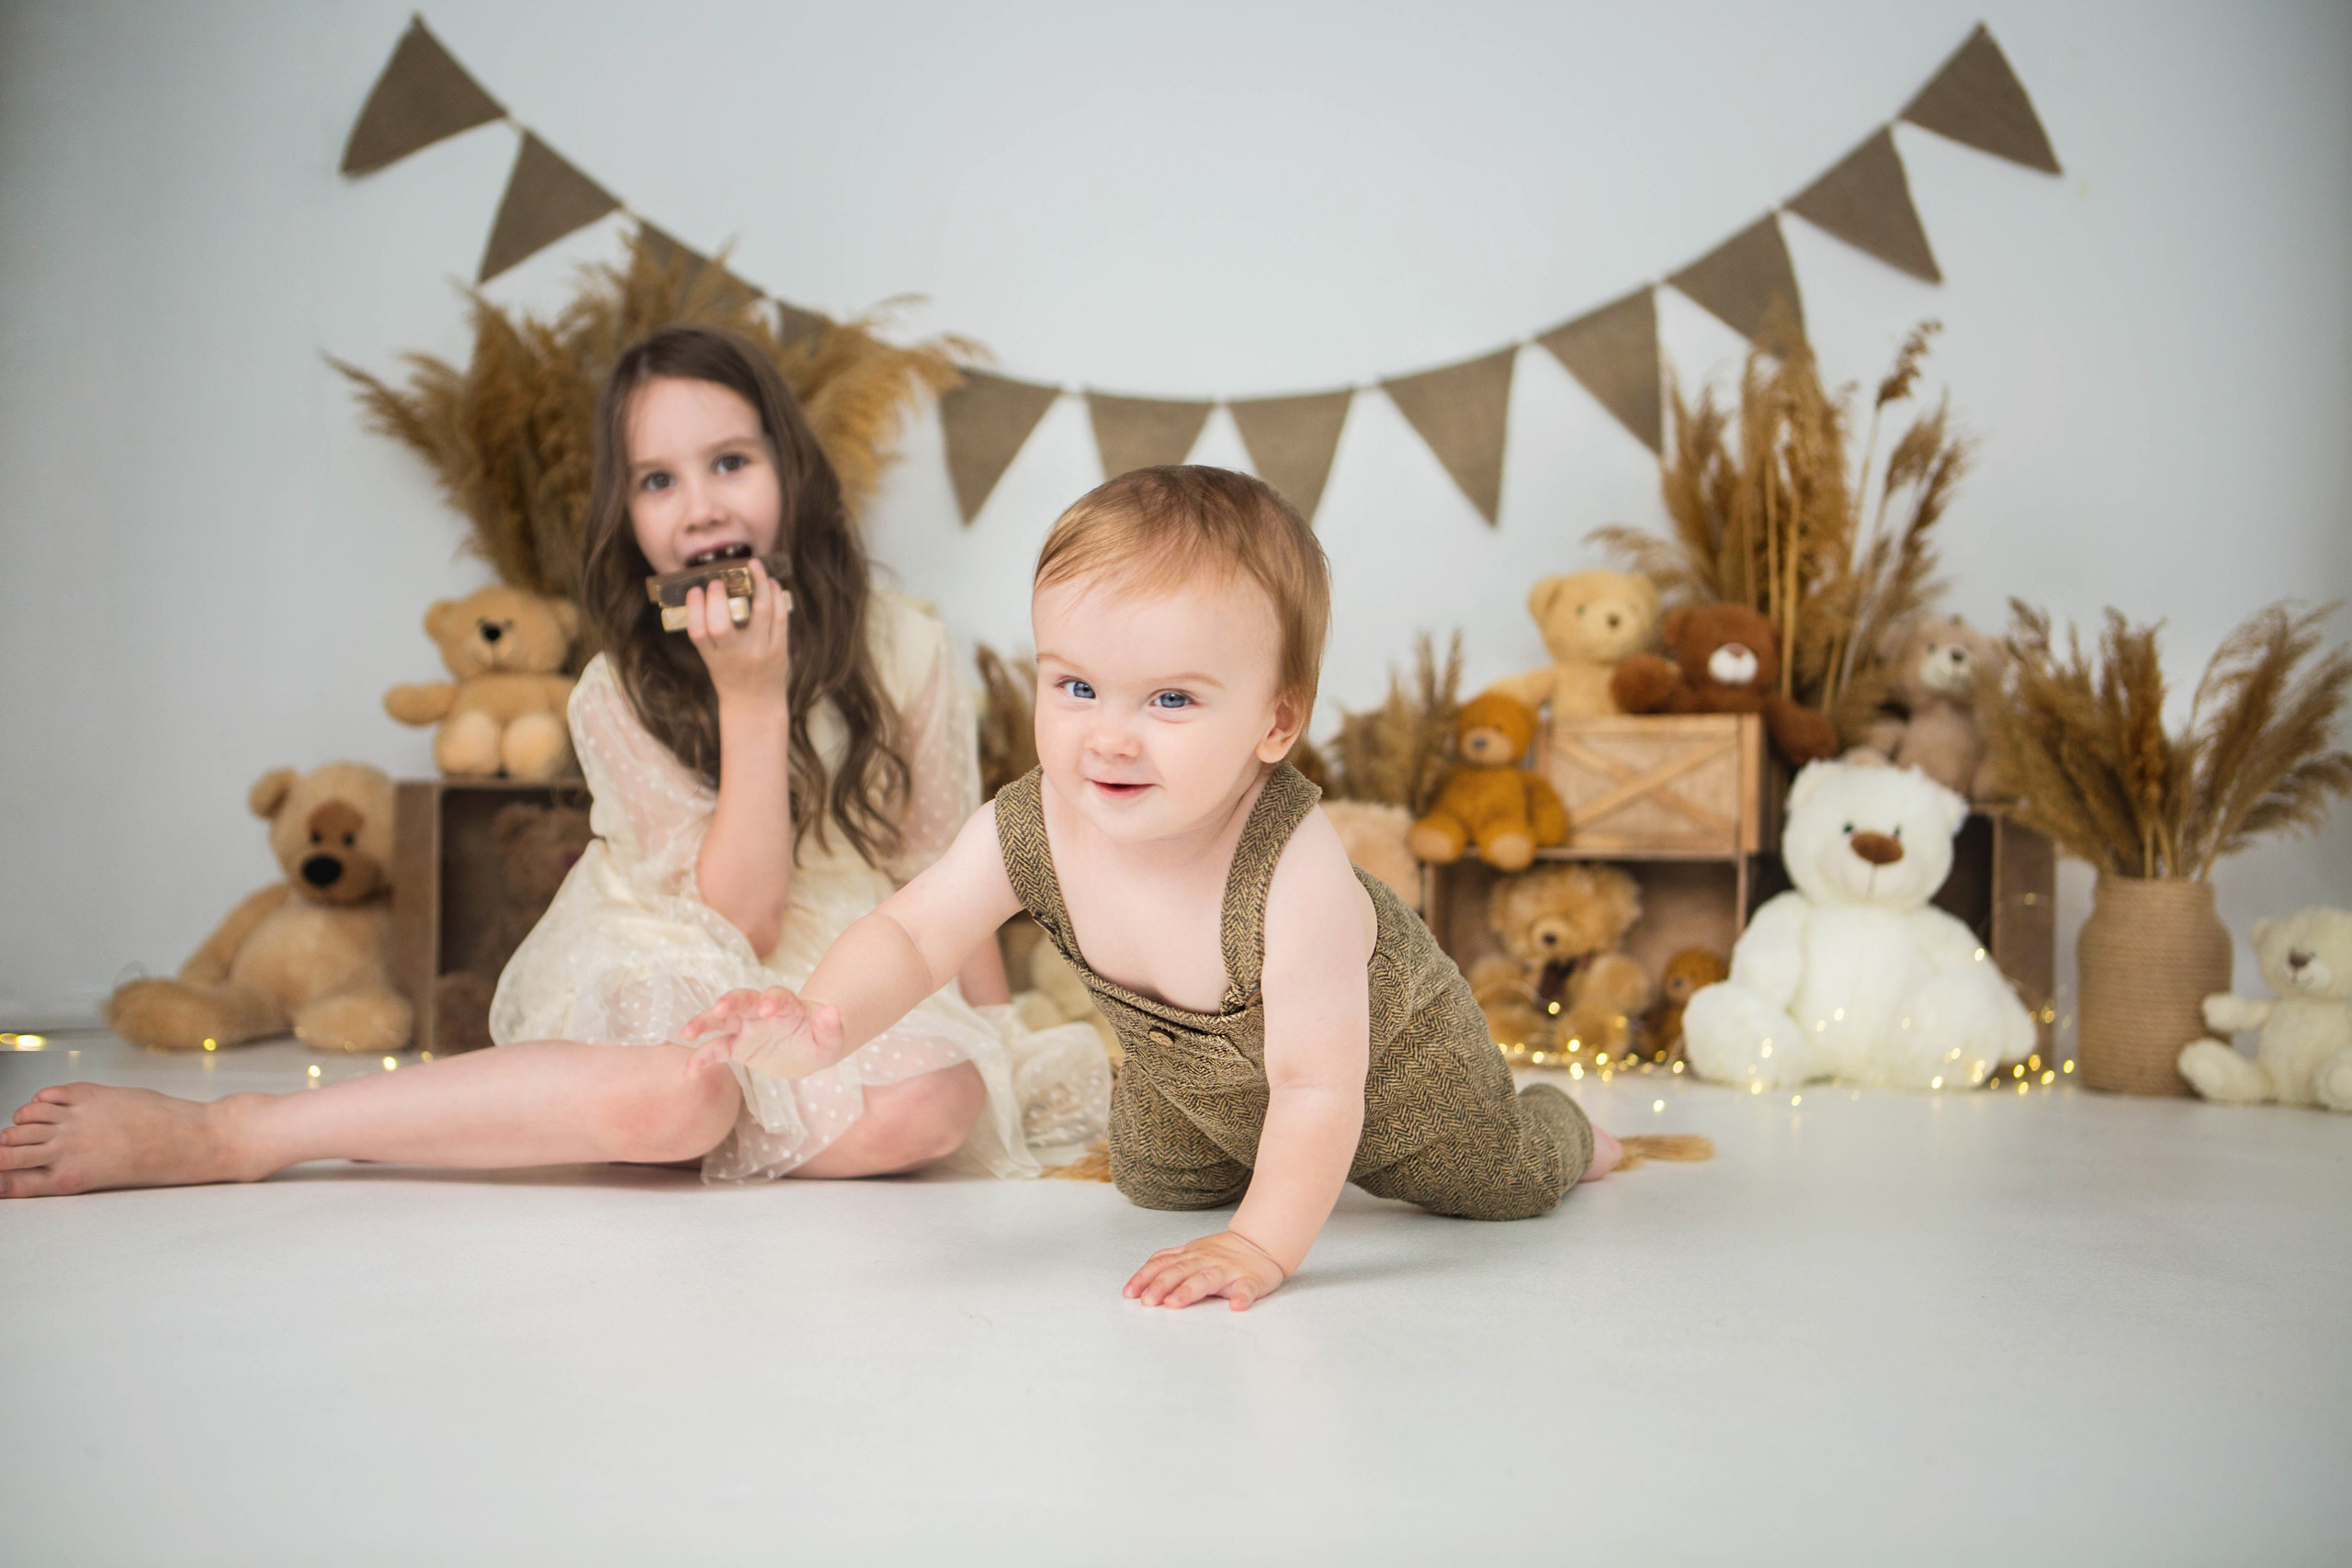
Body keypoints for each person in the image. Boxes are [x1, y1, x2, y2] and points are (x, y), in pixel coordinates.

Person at [0, 325, 1105, 1199]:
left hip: (846, 961)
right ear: (624, 518)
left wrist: (997, 1033)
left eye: (729, 461)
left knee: (938, 1104)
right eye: (657, 481)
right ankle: (246, 1132)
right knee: (683, 1095)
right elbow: (739, 924)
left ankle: (615, 1128)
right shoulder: (614, 689)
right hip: (679, 937)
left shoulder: (905, 642)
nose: (702, 502)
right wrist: (751, 702)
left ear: (793, 474)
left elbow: (943, 866)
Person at [679, 466, 1625, 1312]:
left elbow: (1313, 1084)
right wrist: (824, 1016)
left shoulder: (1295, 869)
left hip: (1382, 1078)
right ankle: (1247, 1167)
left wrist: (1259, 1245)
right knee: (1153, 1183)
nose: (1109, 737)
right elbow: (916, 934)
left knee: (1497, 1179)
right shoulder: (1036, 820)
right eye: (1076, 687)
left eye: (1170, 699)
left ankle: (1571, 1135)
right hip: (1189, 1088)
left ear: (1275, 720)